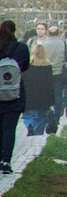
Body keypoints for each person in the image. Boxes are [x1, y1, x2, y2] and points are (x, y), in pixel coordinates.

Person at [0, 22, 24, 176]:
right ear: (14, 31)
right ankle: (6, 161)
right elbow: (26, 66)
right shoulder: (21, 48)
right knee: (9, 129)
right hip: (15, 94)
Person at [21, 33, 52, 147]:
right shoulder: (47, 67)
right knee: (42, 117)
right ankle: (37, 136)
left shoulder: (27, 66)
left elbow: (23, 83)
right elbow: (50, 85)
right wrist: (51, 101)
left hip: (30, 98)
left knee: (29, 115)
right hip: (43, 99)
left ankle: (30, 125)